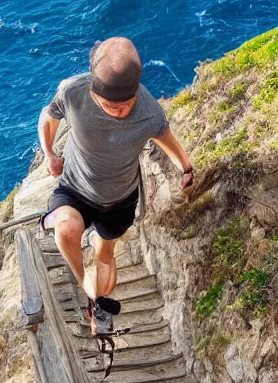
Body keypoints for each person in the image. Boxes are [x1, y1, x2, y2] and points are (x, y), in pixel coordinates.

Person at [38, 36, 193, 342]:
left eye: (126, 105)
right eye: (111, 105)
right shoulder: (73, 92)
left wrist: (186, 168)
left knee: (105, 256)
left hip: (120, 199)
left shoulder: (149, 111)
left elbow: (167, 139)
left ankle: (98, 305)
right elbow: (49, 115)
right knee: (68, 227)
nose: (121, 112)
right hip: (75, 190)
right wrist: (50, 154)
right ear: (95, 91)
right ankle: (88, 288)